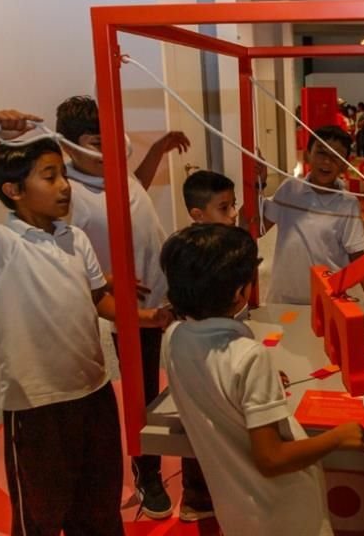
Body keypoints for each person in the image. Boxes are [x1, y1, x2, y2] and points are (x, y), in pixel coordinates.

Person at [0, 110, 171, 536]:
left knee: (99, 508)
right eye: (49, 177)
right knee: (41, 517)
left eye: (62, 174)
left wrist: (150, 316)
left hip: (95, 392)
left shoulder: (74, 238)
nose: (64, 186)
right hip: (38, 405)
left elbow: (99, 299)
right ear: (13, 190)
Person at [54, 96, 210, 521]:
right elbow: (63, 254)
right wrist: (104, 279)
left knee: (187, 374)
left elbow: (130, 192)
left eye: (108, 139)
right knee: (141, 389)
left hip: (165, 291)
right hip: (126, 306)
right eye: (93, 141)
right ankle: (149, 471)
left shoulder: (115, 173)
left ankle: (198, 469)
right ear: (71, 145)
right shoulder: (66, 192)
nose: (105, 149)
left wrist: (157, 151)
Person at [160, 224, 364, 536]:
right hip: (282, 514)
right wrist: (336, 438)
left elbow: (216, 386)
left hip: (235, 510)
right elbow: (271, 458)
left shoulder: (174, 337)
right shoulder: (249, 357)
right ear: (239, 292)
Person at [260, 125, 364, 316]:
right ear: (307, 155)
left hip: (327, 300)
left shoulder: (348, 203)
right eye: (321, 153)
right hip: (283, 298)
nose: (327, 162)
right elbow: (259, 228)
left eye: (336, 157)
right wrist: (258, 183)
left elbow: (356, 253)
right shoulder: (290, 189)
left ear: (345, 165)